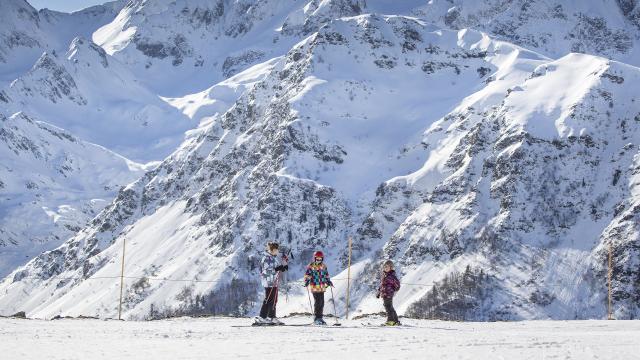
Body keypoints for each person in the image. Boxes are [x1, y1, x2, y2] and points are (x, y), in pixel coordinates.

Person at [255, 242, 288, 325]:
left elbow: (275, 268)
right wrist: (277, 269)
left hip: (273, 281)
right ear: (272, 250)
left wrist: (282, 268)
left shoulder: (273, 258)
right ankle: (262, 317)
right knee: (269, 299)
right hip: (268, 282)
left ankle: (271, 317)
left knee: (274, 300)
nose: (277, 251)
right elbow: (265, 271)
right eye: (276, 250)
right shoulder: (266, 258)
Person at [304, 250, 333, 325]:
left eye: (320, 259)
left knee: (322, 303)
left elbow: (326, 275)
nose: (319, 260)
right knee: (318, 302)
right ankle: (316, 318)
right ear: (314, 258)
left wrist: (328, 281)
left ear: (322, 259)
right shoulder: (311, 266)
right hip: (314, 287)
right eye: (317, 259)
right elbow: (307, 274)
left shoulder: (324, 266)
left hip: (322, 287)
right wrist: (307, 280)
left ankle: (320, 317)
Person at [377, 260, 401, 326]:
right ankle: (396, 321)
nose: (385, 268)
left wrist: (393, 289)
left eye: (387, 267)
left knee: (388, 307)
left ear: (391, 267)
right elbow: (382, 285)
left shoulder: (391, 276)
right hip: (384, 293)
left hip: (388, 293)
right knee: (390, 307)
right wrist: (379, 292)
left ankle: (390, 321)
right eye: (384, 267)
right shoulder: (385, 276)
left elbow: (397, 284)